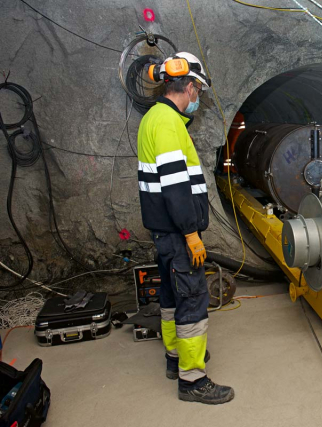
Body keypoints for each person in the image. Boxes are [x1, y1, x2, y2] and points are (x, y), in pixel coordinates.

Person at [137, 52, 234, 405]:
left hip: (165, 232)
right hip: (178, 233)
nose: (199, 100)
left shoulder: (158, 118)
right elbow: (176, 187)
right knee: (192, 298)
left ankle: (175, 357)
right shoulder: (166, 123)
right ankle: (192, 380)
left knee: (170, 297)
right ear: (190, 87)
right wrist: (191, 233)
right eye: (199, 93)